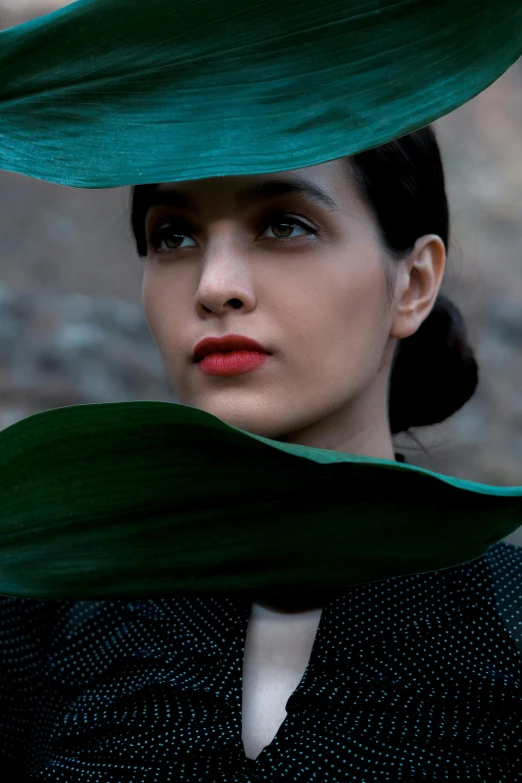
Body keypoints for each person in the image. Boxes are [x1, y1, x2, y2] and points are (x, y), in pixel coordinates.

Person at [0, 1, 521, 780]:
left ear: (413, 283)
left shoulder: (508, 628)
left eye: (284, 225)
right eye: (173, 235)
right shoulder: (36, 606)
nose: (215, 286)